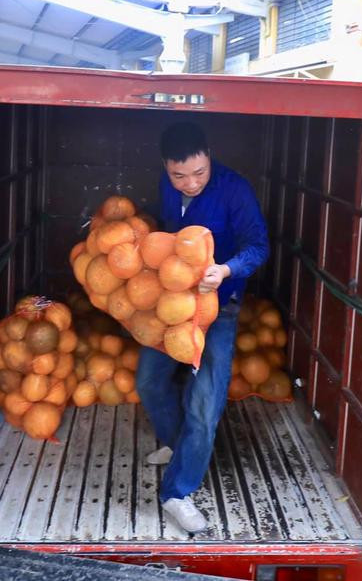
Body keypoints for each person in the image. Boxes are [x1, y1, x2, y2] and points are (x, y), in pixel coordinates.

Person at [135, 122, 269, 534]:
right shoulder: (165, 184)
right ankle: (180, 449)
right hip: (171, 306)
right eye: (179, 175)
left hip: (218, 308)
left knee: (204, 402)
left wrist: (227, 269)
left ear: (209, 156)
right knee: (149, 382)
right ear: (166, 167)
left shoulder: (234, 189)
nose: (190, 183)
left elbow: (259, 246)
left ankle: (178, 490)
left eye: (199, 172)